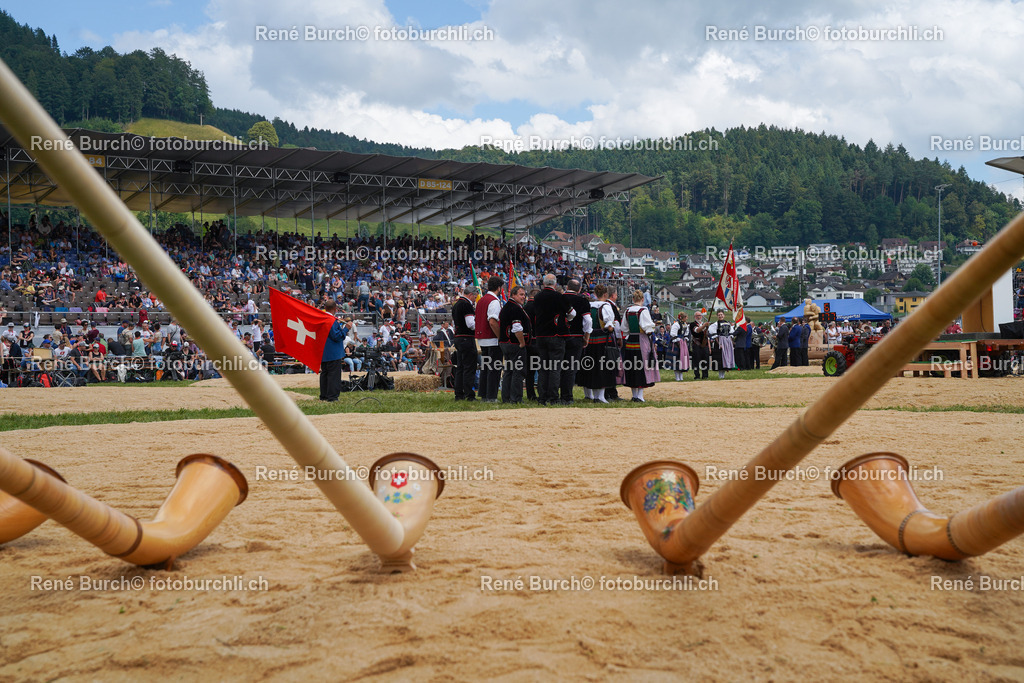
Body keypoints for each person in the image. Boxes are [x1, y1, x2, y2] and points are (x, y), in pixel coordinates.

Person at [533, 274, 572, 405]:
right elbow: (572, 313)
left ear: (544, 284)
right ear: (555, 284)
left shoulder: (537, 297)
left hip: (541, 335)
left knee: (543, 368)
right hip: (556, 335)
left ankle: (542, 397)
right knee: (555, 368)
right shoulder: (559, 297)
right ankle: (553, 397)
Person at [578, 284, 617, 403]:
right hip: (602, 339)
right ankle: (600, 396)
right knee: (603, 367)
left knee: (591, 366)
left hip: (590, 338)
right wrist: (611, 328)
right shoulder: (606, 306)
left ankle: (593, 395)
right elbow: (609, 325)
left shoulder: (589, 305)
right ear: (605, 294)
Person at [621, 290, 658, 402]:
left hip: (630, 340)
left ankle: (634, 395)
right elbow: (647, 328)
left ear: (633, 299)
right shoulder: (643, 310)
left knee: (631, 366)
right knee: (642, 367)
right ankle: (640, 396)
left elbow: (624, 328)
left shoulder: (627, 311)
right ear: (642, 299)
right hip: (642, 340)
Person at [558, 279, 591, 405]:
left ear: (567, 287)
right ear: (579, 289)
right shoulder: (582, 301)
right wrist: (586, 336)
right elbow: (588, 321)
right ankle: (567, 396)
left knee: (557, 367)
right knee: (570, 368)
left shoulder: (559, 298)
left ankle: (555, 394)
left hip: (560, 335)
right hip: (576, 336)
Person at [498, 285, 531, 404]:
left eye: (524, 294)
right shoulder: (515, 308)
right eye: (521, 294)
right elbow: (517, 327)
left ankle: (506, 398)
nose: (523, 297)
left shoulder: (507, 307)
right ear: (513, 295)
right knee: (518, 371)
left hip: (505, 342)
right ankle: (515, 398)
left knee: (509, 371)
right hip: (514, 343)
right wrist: (522, 342)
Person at [475, 276, 504, 403]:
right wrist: (500, 337)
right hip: (492, 338)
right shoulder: (494, 301)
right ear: (499, 288)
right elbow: (492, 321)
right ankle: (491, 396)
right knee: (494, 368)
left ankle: (484, 394)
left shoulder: (481, 300)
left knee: (486, 368)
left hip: (482, 338)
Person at [451, 284, 478, 401]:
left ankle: (459, 394)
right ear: (471, 294)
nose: (475, 299)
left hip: (458, 337)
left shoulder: (456, 304)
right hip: (467, 338)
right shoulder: (466, 305)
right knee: (469, 367)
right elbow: (471, 324)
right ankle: (469, 394)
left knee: (460, 367)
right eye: (475, 296)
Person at [319, 301, 347, 401]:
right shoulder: (331, 320)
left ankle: (324, 395)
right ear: (335, 309)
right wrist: (346, 329)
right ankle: (332, 397)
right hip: (333, 352)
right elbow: (337, 336)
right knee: (333, 376)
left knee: (325, 374)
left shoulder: (322, 317)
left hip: (324, 351)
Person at [708, 311, 734, 379]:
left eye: (721, 314)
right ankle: (720, 375)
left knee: (726, 358)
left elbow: (731, 334)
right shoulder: (715, 324)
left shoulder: (728, 323)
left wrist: (731, 344)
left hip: (727, 342)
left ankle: (723, 374)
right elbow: (715, 336)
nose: (720, 316)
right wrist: (719, 343)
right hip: (719, 342)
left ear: (724, 315)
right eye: (719, 315)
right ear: (717, 316)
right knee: (720, 358)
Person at [689, 311, 711, 380]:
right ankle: (697, 375)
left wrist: (709, 347)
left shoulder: (704, 324)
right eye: (697, 315)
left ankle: (705, 375)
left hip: (705, 345)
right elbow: (697, 330)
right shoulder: (692, 324)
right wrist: (704, 325)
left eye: (700, 315)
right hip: (697, 345)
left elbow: (707, 336)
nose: (699, 317)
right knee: (696, 361)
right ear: (695, 317)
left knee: (705, 360)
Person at [670, 312, 691, 381]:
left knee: (682, 359)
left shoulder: (685, 325)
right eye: (685, 317)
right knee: (676, 360)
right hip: (676, 343)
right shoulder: (676, 324)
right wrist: (678, 340)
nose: (686, 318)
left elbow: (686, 333)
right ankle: (677, 376)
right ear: (682, 318)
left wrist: (685, 338)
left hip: (683, 343)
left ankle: (681, 376)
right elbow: (673, 334)